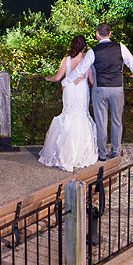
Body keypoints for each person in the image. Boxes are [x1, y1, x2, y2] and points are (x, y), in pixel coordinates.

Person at [64, 23, 133, 161]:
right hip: (117, 89)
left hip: (100, 90)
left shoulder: (93, 52)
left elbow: (80, 70)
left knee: (101, 122)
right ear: (110, 34)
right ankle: (116, 152)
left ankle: (102, 153)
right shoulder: (121, 47)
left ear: (97, 35)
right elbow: (132, 63)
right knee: (117, 121)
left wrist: (66, 81)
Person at [37, 35, 99, 172]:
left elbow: (58, 77)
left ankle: (62, 153)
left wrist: (48, 78)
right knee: (81, 116)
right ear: (84, 47)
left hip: (69, 90)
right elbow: (92, 81)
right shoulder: (87, 60)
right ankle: (81, 154)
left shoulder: (67, 60)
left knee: (68, 116)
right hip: (82, 90)